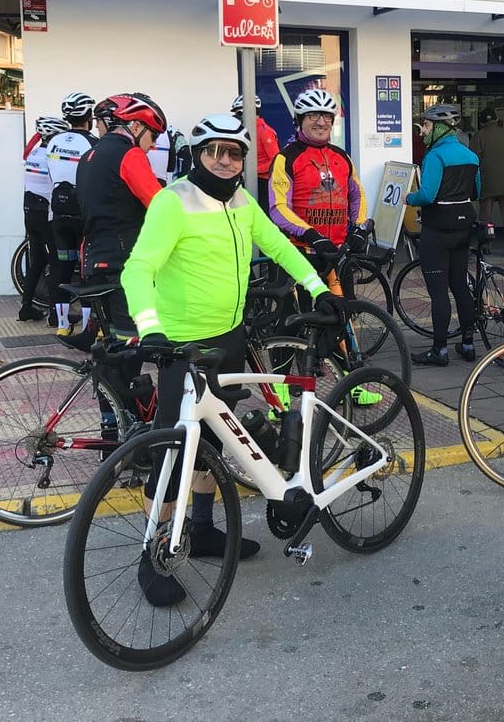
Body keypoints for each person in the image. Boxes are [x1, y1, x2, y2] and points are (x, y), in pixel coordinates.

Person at [121, 113, 345, 605]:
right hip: (180, 345)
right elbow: (138, 268)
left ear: (244, 159)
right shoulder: (172, 201)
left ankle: (201, 530)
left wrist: (315, 287)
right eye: (213, 151)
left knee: (215, 439)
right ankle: (152, 554)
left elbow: (279, 246)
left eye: (235, 152)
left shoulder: (242, 201)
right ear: (197, 155)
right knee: (172, 458)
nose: (225, 160)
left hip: (228, 337)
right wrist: (150, 327)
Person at [72, 93, 166, 349]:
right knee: (129, 349)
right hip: (123, 264)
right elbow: (160, 206)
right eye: (153, 135)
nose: (153, 145)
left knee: (112, 347)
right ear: (135, 126)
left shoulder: (87, 157)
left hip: (94, 261)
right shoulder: (130, 155)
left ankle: (108, 389)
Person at [269, 88, 370, 291]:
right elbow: (278, 208)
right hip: (300, 253)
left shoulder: (342, 157)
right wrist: (311, 235)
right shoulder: (286, 158)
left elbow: (357, 194)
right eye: (312, 114)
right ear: (299, 120)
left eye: (326, 116)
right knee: (298, 319)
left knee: (344, 314)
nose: (321, 122)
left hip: (337, 252)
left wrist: (360, 227)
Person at [407, 104, 480, 366]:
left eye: (426, 125)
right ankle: (468, 344)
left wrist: (408, 197)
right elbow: (477, 191)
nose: (423, 131)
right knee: (460, 286)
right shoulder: (470, 155)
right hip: (463, 228)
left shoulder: (435, 156)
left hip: (437, 230)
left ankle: (439, 350)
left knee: (438, 291)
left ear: (439, 128)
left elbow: (427, 195)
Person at [46, 92, 98, 336]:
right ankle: (89, 324)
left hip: (58, 212)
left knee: (62, 268)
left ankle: (63, 325)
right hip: (82, 213)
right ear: (89, 116)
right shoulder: (93, 143)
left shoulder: (53, 141)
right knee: (86, 269)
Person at [18, 115, 69, 322]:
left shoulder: (33, 153)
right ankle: (55, 315)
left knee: (37, 262)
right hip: (46, 215)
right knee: (56, 263)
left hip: (29, 212)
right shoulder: (51, 155)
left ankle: (26, 306)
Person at [470, 109, 504, 258]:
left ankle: (485, 246)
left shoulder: (479, 136)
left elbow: (472, 158)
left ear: (481, 122)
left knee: (485, 218)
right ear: (496, 119)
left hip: (487, 183)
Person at [233, 93, 280, 202]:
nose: (238, 116)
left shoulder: (265, 131)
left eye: (239, 113)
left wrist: (253, 171)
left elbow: (276, 160)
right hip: (249, 178)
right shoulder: (246, 130)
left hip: (263, 181)